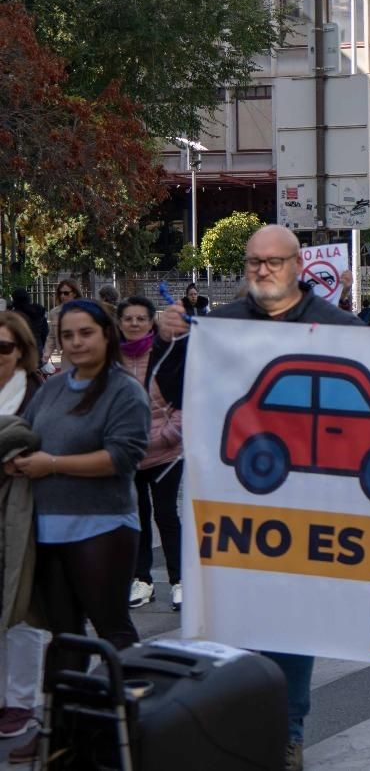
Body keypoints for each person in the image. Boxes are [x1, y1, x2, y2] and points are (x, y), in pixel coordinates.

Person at [154, 224, 364, 771]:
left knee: (291, 624)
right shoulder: (219, 326)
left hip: (312, 506)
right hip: (232, 504)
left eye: (273, 262)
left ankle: (288, 733)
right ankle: (237, 732)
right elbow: (177, 392)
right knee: (235, 620)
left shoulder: (341, 327)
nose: (262, 271)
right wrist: (169, 340)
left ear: (298, 265)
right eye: (253, 263)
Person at [12, 302, 147, 687]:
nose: (76, 343)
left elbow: (121, 458)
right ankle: (66, 736)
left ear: (107, 334)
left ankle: (134, 726)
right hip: (48, 533)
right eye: (67, 335)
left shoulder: (124, 390)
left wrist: (52, 464)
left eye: (85, 333)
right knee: (65, 637)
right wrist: (17, 459)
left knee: (113, 631)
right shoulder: (53, 387)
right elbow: (28, 433)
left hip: (102, 530)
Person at [116, 297, 184, 613]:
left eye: (140, 318)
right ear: (119, 323)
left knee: (167, 515)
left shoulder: (164, 354)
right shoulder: (111, 359)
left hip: (166, 453)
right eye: (127, 318)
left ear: (150, 322)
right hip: (130, 455)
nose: (133, 324)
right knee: (137, 518)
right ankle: (141, 579)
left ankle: (180, 581)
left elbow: (183, 398)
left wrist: (168, 436)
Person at [0, 313, 46, 747]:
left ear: (21, 351)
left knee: (23, 605)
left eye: (4, 348)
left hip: (24, 512)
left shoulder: (36, 393)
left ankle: (21, 700)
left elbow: (48, 445)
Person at [39, 280, 81, 373]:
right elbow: (51, 336)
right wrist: (47, 353)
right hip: (65, 356)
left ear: (74, 293)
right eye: (60, 293)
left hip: (82, 353)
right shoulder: (54, 313)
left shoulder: (83, 310)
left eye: (66, 293)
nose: (62, 296)